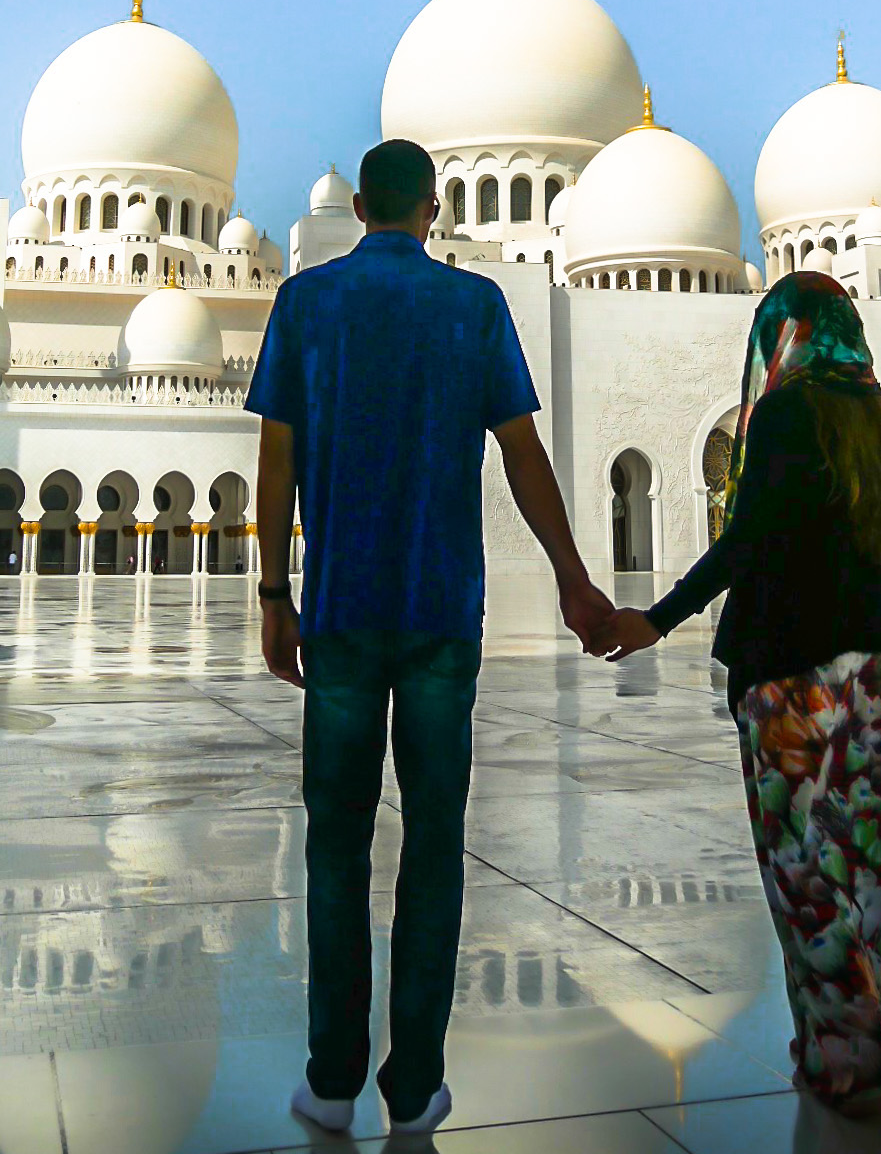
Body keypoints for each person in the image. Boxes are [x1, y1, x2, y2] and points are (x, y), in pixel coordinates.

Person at [247, 138, 613, 1138]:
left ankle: (330, 1081)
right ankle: (414, 1092)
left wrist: (276, 592)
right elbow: (523, 453)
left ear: (361, 204)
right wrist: (576, 583)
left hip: (341, 615)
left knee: (335, 845)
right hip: (443, 616)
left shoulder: (308, 304)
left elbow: (275, 455)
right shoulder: (473, 307)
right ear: (434, 207)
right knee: (437, 847)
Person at [593, 271, 881, 1115]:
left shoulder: (782, 414)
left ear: (784, 336)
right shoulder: (875, 417)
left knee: (799, 864)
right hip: (873, 671)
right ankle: (854, 1038)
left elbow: (748, 542)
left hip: (790, 675)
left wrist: (657, 620)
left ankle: (846, 1051)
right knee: (857, 863)